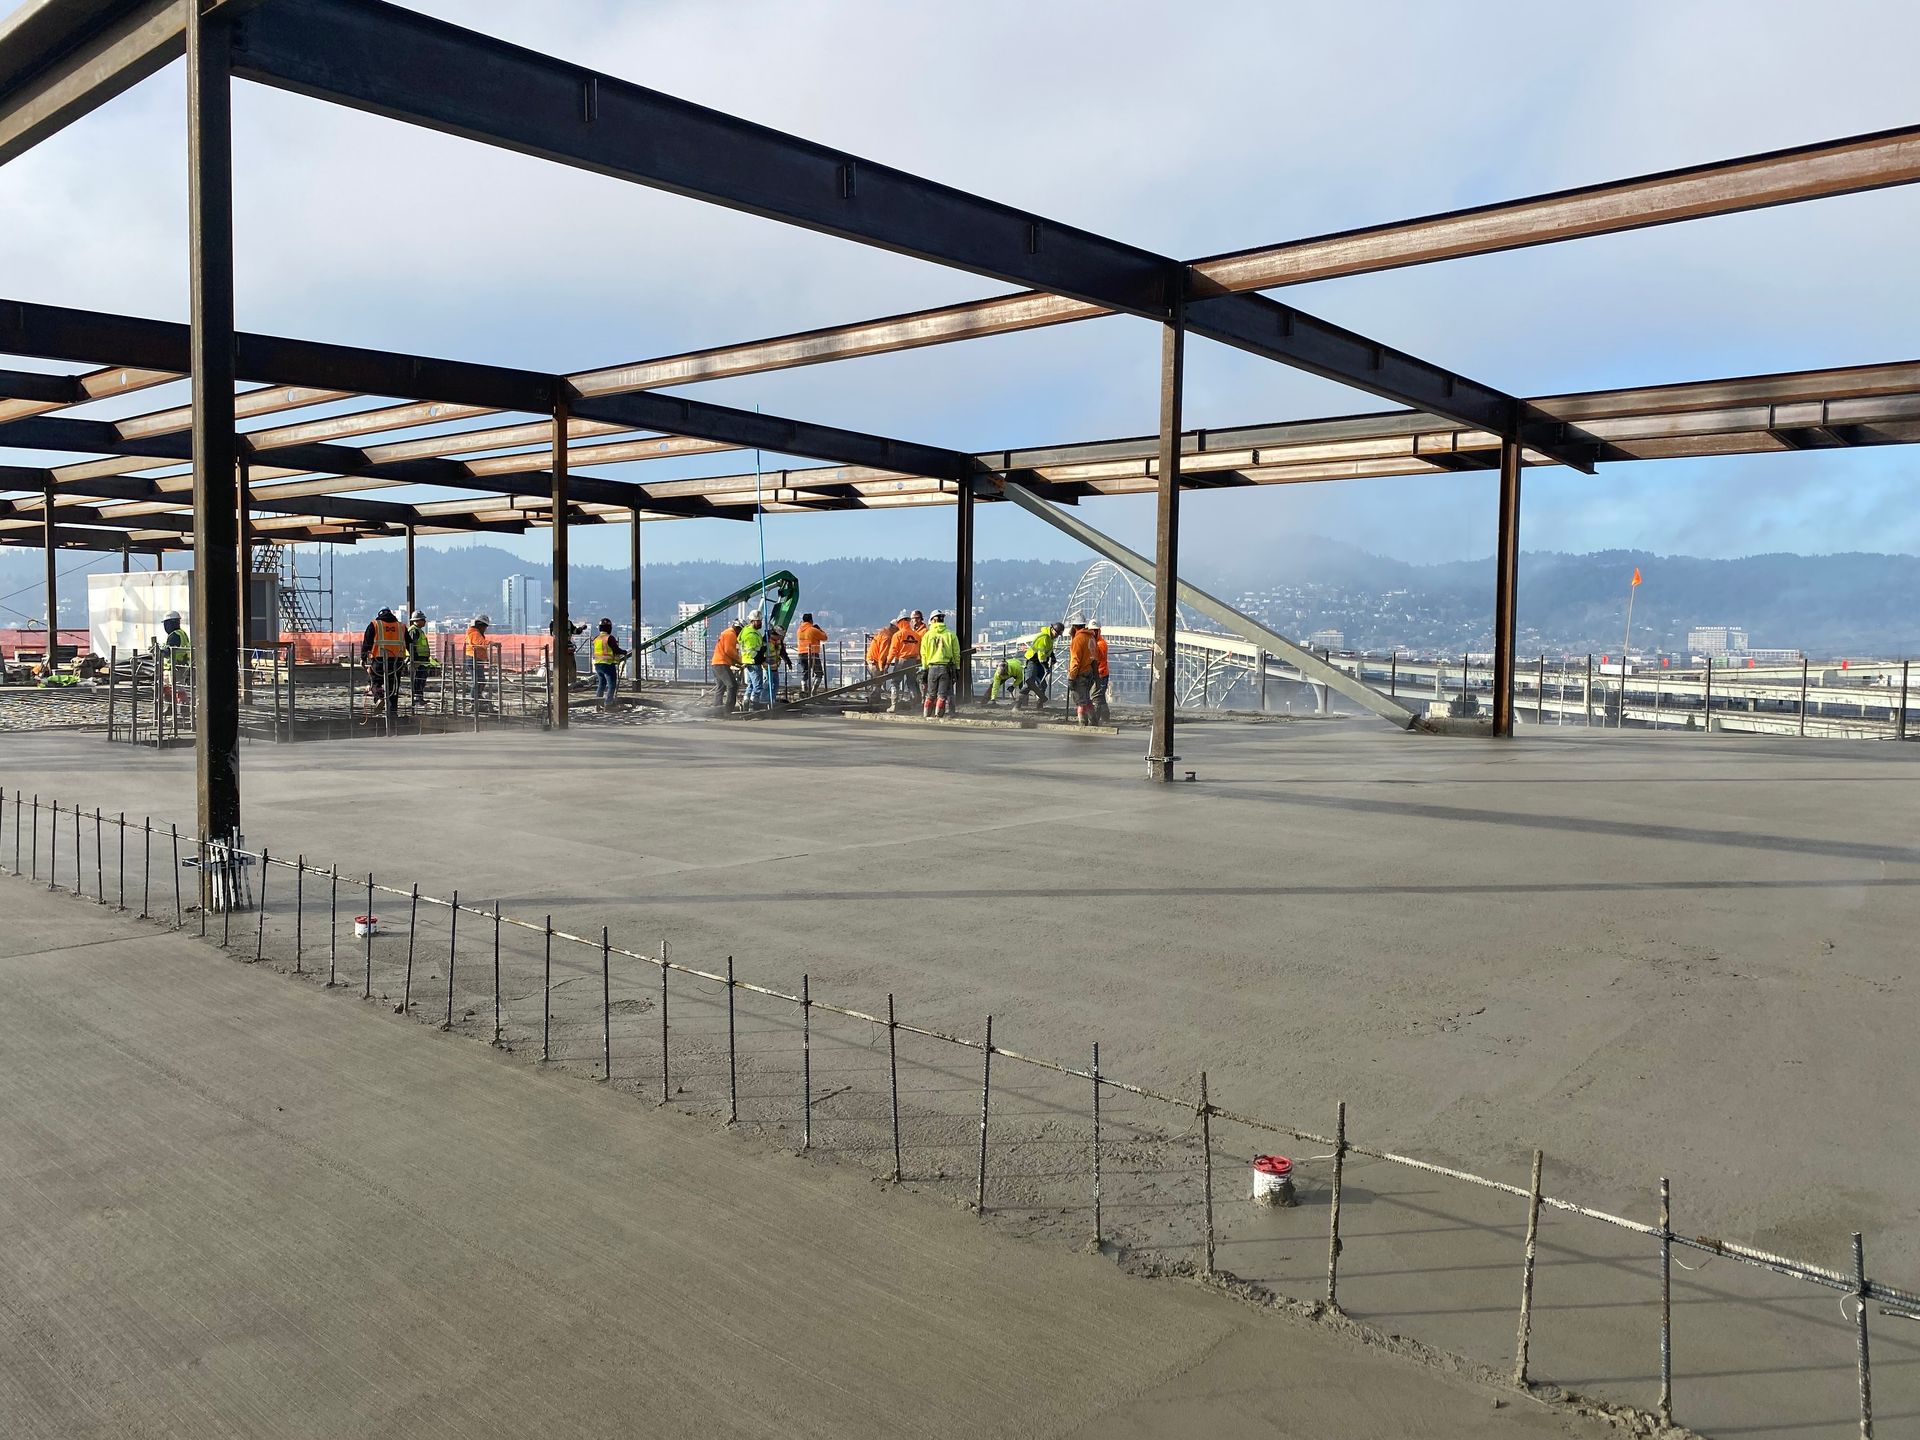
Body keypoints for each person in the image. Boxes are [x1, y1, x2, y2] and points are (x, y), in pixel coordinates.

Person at [361, 605, 407, 725]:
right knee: (393, 687)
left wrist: (363, 658)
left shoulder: (375, 624)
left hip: (379, 660)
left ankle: (380, 697)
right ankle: (392, 712)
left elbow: (367, 643)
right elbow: (409, 643)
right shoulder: (401, 626)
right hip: (397, 661)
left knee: (375, 683)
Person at [918, 609, 961, 718]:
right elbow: (956, 653)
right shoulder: (951, 635)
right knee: (942, 695)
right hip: (946, 668)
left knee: (930, 694)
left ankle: (926, 715)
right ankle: (939, 715)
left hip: (931, 668)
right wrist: (957, 668)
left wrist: (924, 669)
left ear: (932, 620)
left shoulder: (927, 636)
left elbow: (924, 654)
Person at [887, 610, 924, 711]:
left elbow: (893, 650)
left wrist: (887, 663)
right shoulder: (916, 635)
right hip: (913, 662)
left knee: (895, 682)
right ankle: (914, 705)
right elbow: (919, 650)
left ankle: (894, 704)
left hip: (901, 661)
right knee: (911, 683)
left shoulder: (898, 635)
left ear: (900, 622)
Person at [1065, 620, 1098, 726]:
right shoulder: (1091, 637)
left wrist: (1071, 677)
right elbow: (1094, 657)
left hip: (1080, 674)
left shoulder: (1078, 639)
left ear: (1074, 626)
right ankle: (1094, 721)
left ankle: (1082, 723)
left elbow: (1075, 660)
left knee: (1080, 701)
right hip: (1089, 672)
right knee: (1087, 699)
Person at [591, 617, 629, 708]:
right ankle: (608, 703)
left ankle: (598, 703)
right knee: (612, 685)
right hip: (607, 664)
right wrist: (624, 652)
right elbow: (616, 649)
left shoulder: (596, 638)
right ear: (609, 628)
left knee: (602, 684)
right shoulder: (609, 638)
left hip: (598, 664)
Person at [1023, 622, 1063, 707]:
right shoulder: (1044, 637)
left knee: (1043, 684)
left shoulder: (1050, 638)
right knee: (1029, 683)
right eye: (1057, 633)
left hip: (1040, 663)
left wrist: (1053, 657)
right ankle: (1019, 703)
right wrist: (1046, 667)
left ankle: (1039, 704)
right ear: (1052, 629)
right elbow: (1041, 656)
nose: (1057, 636)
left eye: (1058, 634)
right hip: (1033, 661)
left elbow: (1049, 650)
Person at [710, 621, 742, 713]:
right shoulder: (730, 634)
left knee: (721, 686)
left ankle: (717, 708)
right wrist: (740, 660)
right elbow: (729, 650)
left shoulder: (726, 633)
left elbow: (726, 651)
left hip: (717, 663)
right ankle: (728, 709)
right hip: (721, 663)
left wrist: (736, 663)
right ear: (738, 628)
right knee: (732, 685)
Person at [795, 613, 828, 695]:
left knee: (805, 672)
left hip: (801, 654)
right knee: (819, 673)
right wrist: (819, 629)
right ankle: (813, 691)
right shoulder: (813, 630)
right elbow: (824, 637)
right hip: (812, 654)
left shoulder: (799, 630)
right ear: (811, 620)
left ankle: (804, 691)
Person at [405, 611, 433, 706]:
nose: (425, 622)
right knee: (418, 679)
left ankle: (419, 697)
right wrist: (413, 658)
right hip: (417, 659)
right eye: (423, 620)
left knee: (421, 679)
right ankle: (416, 699)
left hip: (422, 659)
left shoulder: (419, 631)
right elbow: (411, 646)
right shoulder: (414, 631)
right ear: (417, 621)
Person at [737, 611, 765, 706]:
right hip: (753, 662)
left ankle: (746, 701)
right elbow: (752, 651)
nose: (761, 623)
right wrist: (762, 658)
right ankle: (754, 704)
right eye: (759, 621)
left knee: (751, 685)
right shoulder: (751, 635)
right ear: (753, 621)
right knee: (757, 686)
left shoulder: (747, 631)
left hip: (748, 662)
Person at [465, 613, 492, 708]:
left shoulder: (477, 633)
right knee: (477, 680)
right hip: (473, 659)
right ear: (480, 625)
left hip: (477, 659)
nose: (485, 629)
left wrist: (487, 659)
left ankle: (477, 697)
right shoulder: (474, 633)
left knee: (480, 680)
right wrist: (491, 643)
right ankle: (474, 700)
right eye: (485, 626)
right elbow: (479, 643)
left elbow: (481, 648)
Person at [763, 625, 790, 704]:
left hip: (775, 666)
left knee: (775, 685)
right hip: (766, 667)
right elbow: (761, 653)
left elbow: (782, 652)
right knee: (767, 685)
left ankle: (772, 700)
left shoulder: (778, 641)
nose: (780, 638)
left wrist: (787, 661)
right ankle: (764, 700)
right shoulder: (766, 641)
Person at [1091, 622, 1112, 722]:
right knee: (1101, 696)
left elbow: (1098, 658)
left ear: (1098, 631)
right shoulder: (1094, 642)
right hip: (1098, 673)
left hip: (1101, 674)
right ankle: (1106, 716)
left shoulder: (1101, 644)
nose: (1093, 632)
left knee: (1097, 697)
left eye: (1095, 630)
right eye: (1092, 630)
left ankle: (1096, 718)